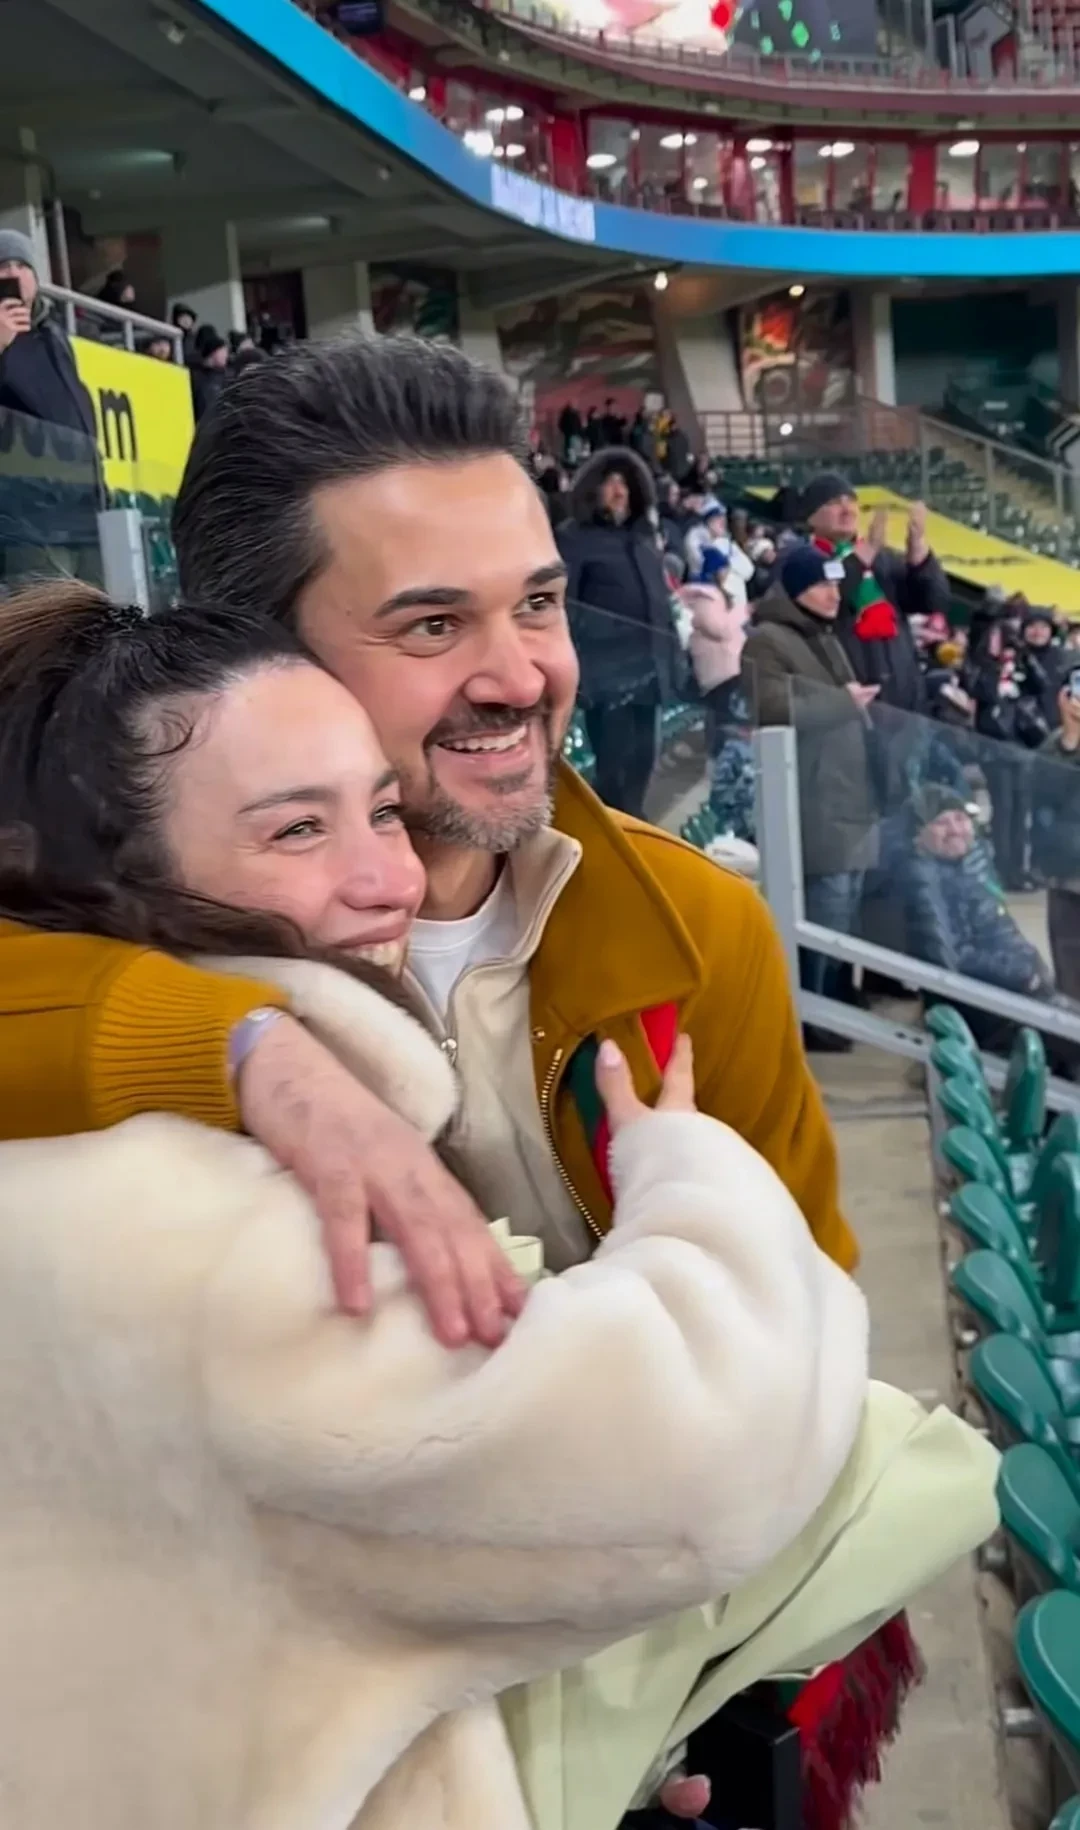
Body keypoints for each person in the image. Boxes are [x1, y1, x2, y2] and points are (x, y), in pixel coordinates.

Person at [0, 577, 885, 1830]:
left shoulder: (83, 1123)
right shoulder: (220, 1230)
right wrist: (689, 1172)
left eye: (380, 811)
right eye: (295, 832)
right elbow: (708, 1457)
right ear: (111, 874)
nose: (387, 879)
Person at [0, 335, 858, 1340]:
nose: (523, 677)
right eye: (434, 626)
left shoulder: (701, 926)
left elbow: (818, 1319)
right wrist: (245, 1049)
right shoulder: (128, 902)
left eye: (537, 604)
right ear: (256, 648)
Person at [743, 544, 880, 1050]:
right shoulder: (766, 641)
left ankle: (837, 1002)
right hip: (812, 794)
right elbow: (771, 706)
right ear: (797, 589)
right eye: (823, 584)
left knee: (846, 908)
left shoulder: (824, 634)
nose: (834, 593)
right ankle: (812, 1015)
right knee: (826, 909)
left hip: (849, 792)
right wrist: (843, 702)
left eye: (836, 584)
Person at [557, 448, 679, 819]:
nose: (619, 490)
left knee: (641, 772)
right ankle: (617, 843)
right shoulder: (574, 538)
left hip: (648, 680)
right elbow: (564, 609)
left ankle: (632, 837)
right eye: (610, 482)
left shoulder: (643, 541)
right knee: (615, 780)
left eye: (625, 483)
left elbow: (662, 610)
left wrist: (674, 665)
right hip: (607, 682)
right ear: (593, 489)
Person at [797, 473, 949, 713]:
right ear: (811, 517)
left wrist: (918, 551)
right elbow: (832, 597)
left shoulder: (883, 559)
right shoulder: (799, 560)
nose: (847, 510)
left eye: (851, 501)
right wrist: (867, 551)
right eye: (834, 503)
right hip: (848, 708)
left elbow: (933, 601)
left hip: (905, 703)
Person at [901, 784, 1053, 998]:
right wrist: (1022, 973)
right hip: (980, 996)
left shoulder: (972, 867)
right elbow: (952, 956)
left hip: (1013, 979)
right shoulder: (923, 881)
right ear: (918, 834)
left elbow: (999, 929)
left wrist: (1030, 960)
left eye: (960, 819)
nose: (955, 830)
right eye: (942, 823)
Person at [0, 228, 95, 438]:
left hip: (64, 453)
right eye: (3, 267)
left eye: (22, 266)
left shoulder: (52, 333)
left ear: (35, 280)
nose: (14, 274)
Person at [1033, 677, 1080, 1001]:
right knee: (1071, 976)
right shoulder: (1058, 744)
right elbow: (1041, 791)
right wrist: (1070, 741)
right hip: (1070, 876)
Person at [191, 329, 230, 420]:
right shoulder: (195, 378)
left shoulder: (227, 377)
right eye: (223, 352)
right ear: (213, 352)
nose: (226, 356)